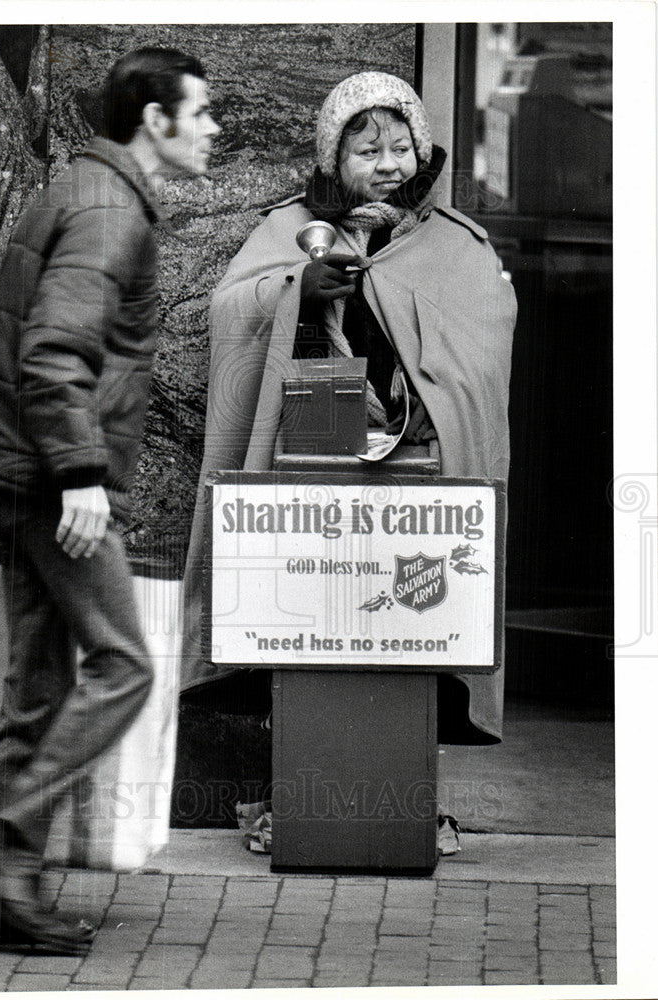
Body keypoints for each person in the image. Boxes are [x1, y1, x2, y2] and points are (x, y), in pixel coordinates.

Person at [0, 47, 219, 954]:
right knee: (124, 665)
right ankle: (1, 851)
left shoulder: (93, 193)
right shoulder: (109, 212)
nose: (214, 129)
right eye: (202, 112)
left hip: (19, 471)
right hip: (46, 477)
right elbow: (55, 355)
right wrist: (79, 476)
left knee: (39, 684)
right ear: (155, 121)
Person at [183, 71, 516, 747]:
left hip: (420, 467)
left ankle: (409, 791)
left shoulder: (456, 245)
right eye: (366, 151)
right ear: (334, 158)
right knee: (307, 614)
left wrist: (432, 396)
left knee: (411, 620)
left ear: (420, 154)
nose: (387, 165)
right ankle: (295, 793)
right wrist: (294, 288)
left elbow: (482, 346)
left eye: (399, 147)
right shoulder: (288, 229)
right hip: (311, 450)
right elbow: (226, 311)